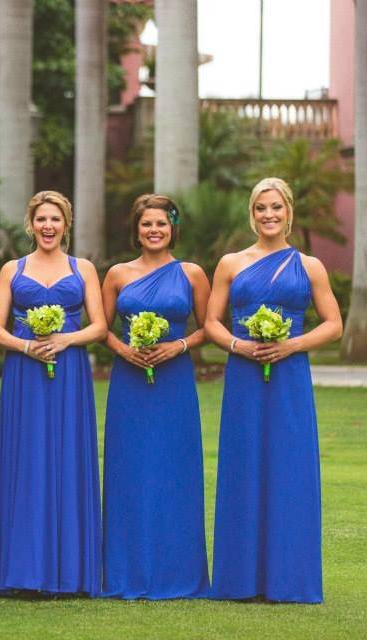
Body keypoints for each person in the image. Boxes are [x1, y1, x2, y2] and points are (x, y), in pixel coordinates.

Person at [206, 178, 342, 603]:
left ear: (289, 212)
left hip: (290, 378)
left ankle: (290, 580)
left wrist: (292, 345)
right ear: (252, 212)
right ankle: (239, 582)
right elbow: (211, 322)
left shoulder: (310, 266)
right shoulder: (231, 263)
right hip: (244, 376)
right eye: (261, 208)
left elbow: (333, 324)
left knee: (289, 468)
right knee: (244, 463)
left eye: (276, 207)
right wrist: (238, 344)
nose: (269, 215)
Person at [0, 190, 106, 596]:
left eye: (55, 219)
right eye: (41, 219)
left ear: (66, 224)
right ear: (30, 224)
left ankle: (69, 571)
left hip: (69, 372)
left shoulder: (83, 268)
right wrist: (26, 346)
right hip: (24, 371)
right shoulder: (12, 269)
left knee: (67, 458)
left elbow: (100, 326)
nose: (48, 226)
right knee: (27, 458)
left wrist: (65, 340)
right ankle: (24, 570)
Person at [100, 194, 211, 599]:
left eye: (161, 224)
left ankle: (177, 572)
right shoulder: (116, 275)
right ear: (136, 229)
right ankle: (125, 571)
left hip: (175, 382)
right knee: (129, 471)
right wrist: (124, 349)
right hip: (128, 384)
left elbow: (209, 327)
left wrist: (177, 346)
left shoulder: (193, 274)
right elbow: (101, 326)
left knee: (174, 471)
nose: (154, 230)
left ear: (172, 228)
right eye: (146, 224)